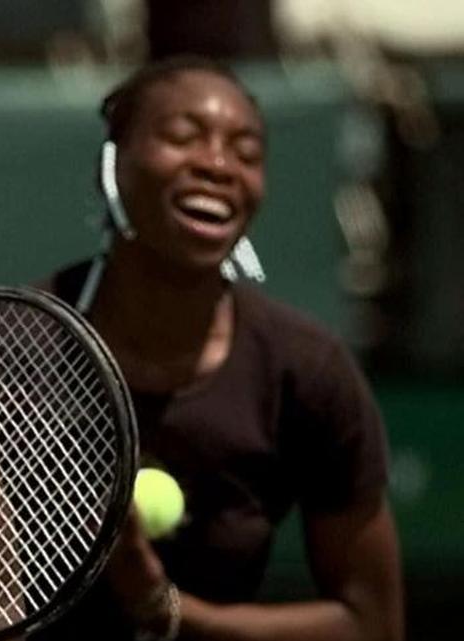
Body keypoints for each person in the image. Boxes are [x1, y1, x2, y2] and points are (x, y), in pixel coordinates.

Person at [31, 57, 404, 641]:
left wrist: (164, 608)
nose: (217, 165)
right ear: (113, 162)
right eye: (183, 138)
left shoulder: (307, 369)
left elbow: (371, 622)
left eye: (246, 152)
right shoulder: (7, 342)